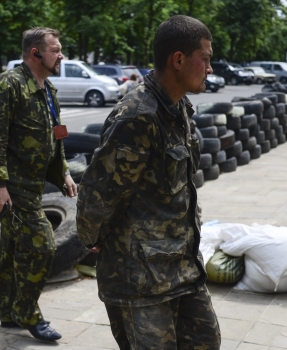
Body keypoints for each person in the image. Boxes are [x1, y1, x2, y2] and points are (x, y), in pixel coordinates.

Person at [76, 15, 221, 350]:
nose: (210, 68)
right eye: (206, 58)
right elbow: (98, 195)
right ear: (179, 60)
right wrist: (92, 237)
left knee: (206, 341)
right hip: (139, 278)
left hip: (181, 267)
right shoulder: (138, 116)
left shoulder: (179, 107)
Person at [0, 26, 77, 342]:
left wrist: (62, 172)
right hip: (13, 185)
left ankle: (8, 312)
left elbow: (58, 132)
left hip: (34, 185)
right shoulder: (7, 86)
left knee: (10, 250)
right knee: (43, 247)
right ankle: (28, 312)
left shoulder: (47, 89)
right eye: (56, 49)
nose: (61, 55)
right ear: (36, 53)